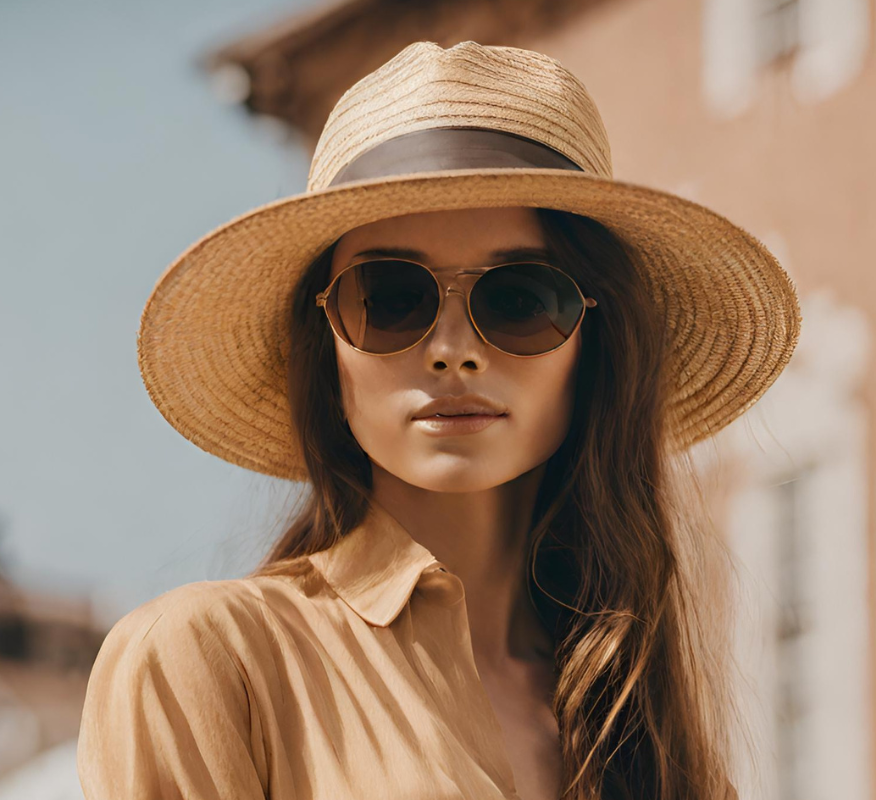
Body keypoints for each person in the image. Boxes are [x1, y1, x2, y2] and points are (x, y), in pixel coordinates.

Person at [76, 40, 800, 800]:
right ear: (325, 348)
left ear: (596, 341)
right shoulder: (208, 662)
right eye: (390, 298)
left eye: (519, 298)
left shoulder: (646, 734)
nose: (454, 351)